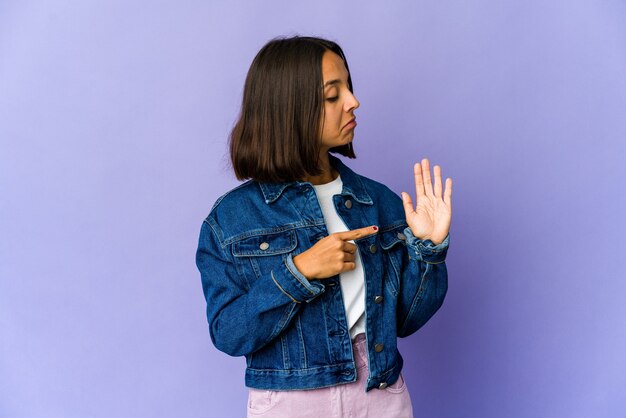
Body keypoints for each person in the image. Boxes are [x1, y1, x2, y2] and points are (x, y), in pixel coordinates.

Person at [196, 35, 452, 418]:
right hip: (291, 402)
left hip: (379, 394)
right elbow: (229, 333)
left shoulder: (377, 202)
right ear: (290, 109)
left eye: (348, 87)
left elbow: (406, 321)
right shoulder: (231, 219)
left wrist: (429, 250)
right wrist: (299, 272)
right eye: (333, 95)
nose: (353, 101)